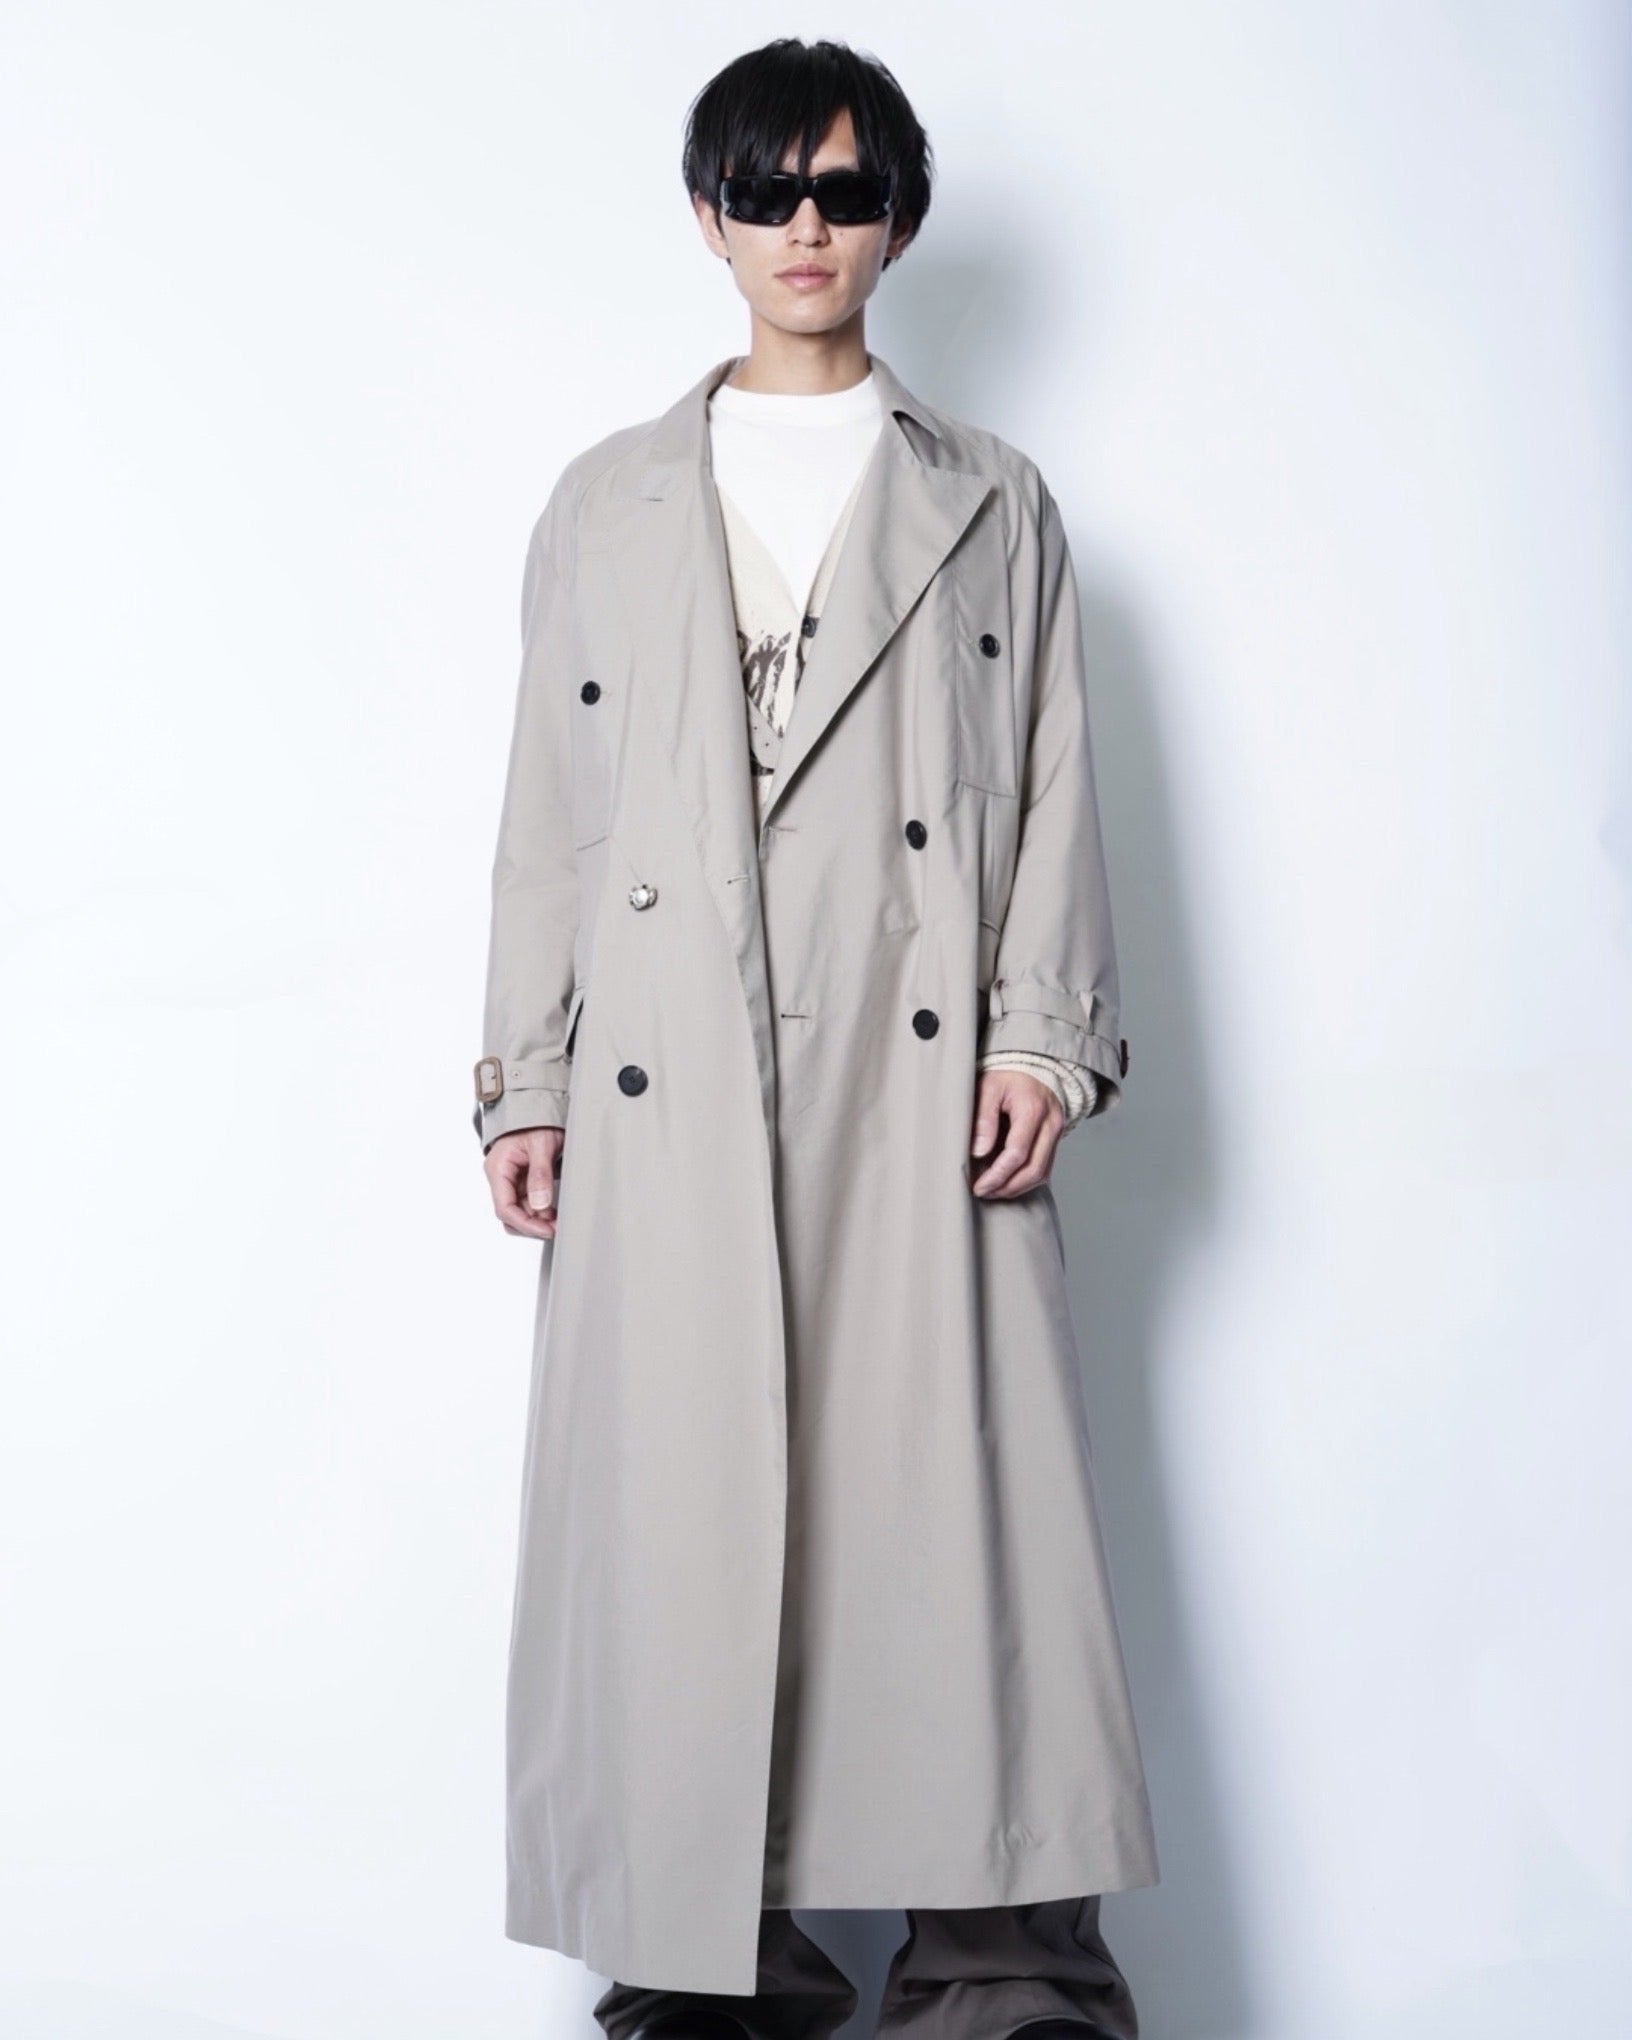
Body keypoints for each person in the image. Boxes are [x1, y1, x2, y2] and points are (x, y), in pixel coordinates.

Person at [473, 36, 1159, 2040]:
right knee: (679, 1524)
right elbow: (552, 817)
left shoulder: (991, 499)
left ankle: (1002, 1969)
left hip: (911, 1074)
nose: (806, 226)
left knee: (954, 1515)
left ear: (899, 222)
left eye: (845, 191)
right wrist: (528, 1073)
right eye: (768, 190)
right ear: (709, 215)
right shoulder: (607, 501)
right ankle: (706, 1972)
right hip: (672, 1077)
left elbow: (1057, 781)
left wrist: (1040, 1035)